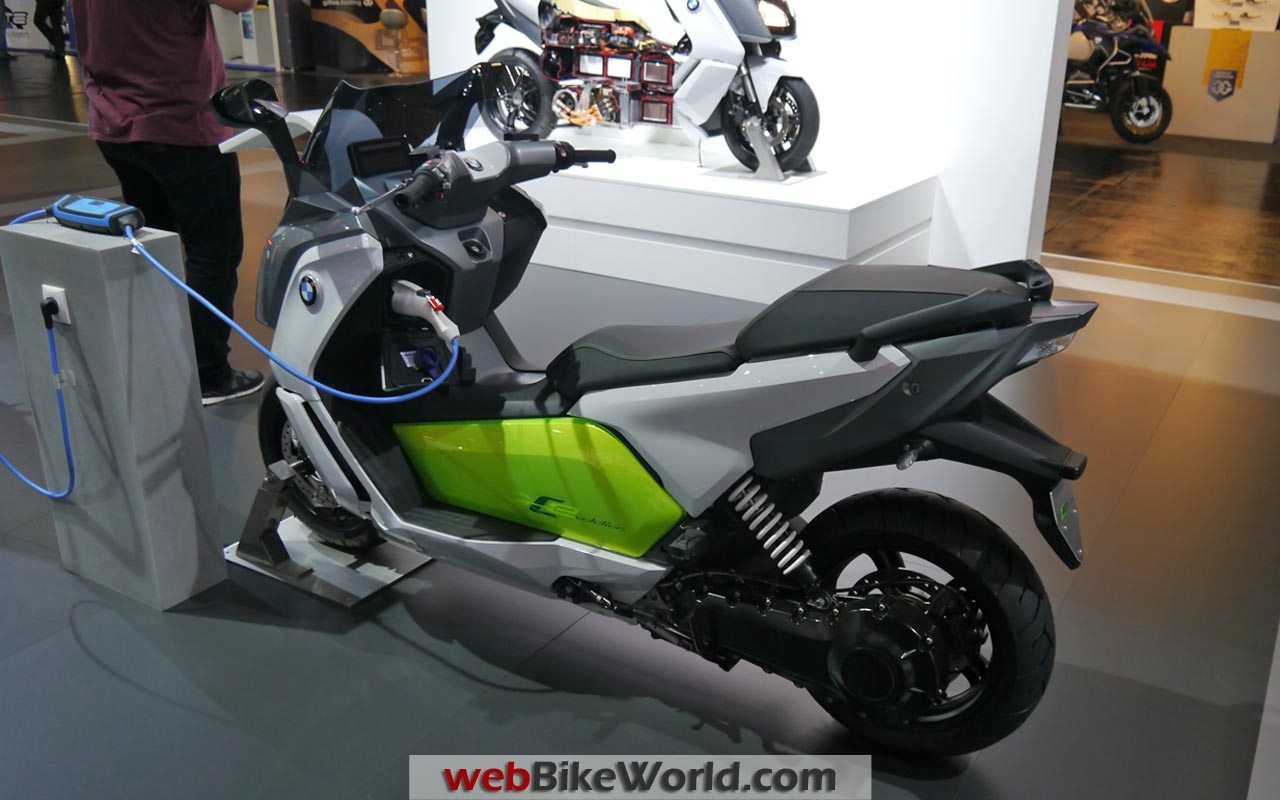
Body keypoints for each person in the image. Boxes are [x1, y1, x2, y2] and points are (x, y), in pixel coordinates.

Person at [70, 0, 264, 405]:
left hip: (115, 121)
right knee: (213, 253)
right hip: (178, 124)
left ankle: (162, 362)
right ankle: (209, 375)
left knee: (153, 251)